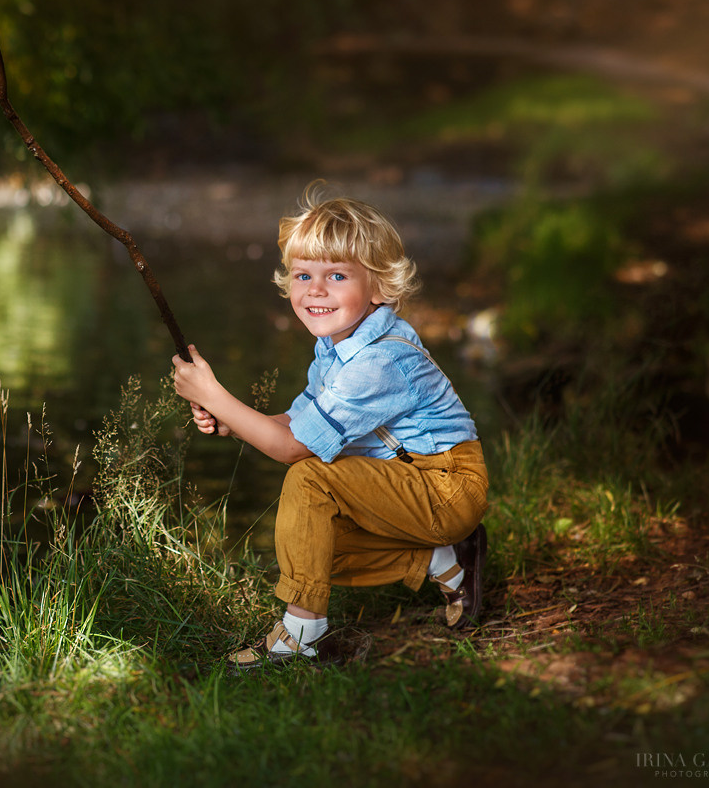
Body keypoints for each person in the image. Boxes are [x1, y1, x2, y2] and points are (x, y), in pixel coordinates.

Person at [171, 183, 489, 669]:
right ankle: (444, 559)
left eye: (336, 275)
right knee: (308, 545)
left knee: (309, 478)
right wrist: (232, 420)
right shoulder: (335, 350)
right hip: (406, 482)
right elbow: (297, 423)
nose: (315, 290)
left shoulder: (379, 361)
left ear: (379, 287)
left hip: (446, 487)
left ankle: (302, 635)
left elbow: (292, 448)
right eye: (304, 275)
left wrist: (215, 396)